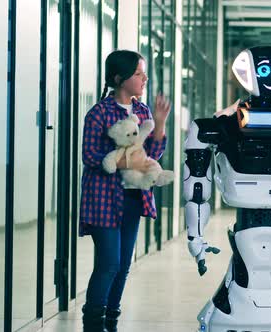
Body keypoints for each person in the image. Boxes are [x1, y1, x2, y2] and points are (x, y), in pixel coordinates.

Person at [80, 50, 171, 332]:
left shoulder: (143, 112)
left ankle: (111, 322)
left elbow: (153, 155)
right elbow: (91, 155)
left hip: (133, 199)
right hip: (103, 201)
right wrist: (127, 160)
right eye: (138, 74)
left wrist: (160, 123)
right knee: (108, 264)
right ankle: (93, 323)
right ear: (119, 79)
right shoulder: (99, 113)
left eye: (143, 73)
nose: (144, 79)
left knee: (122, 266)